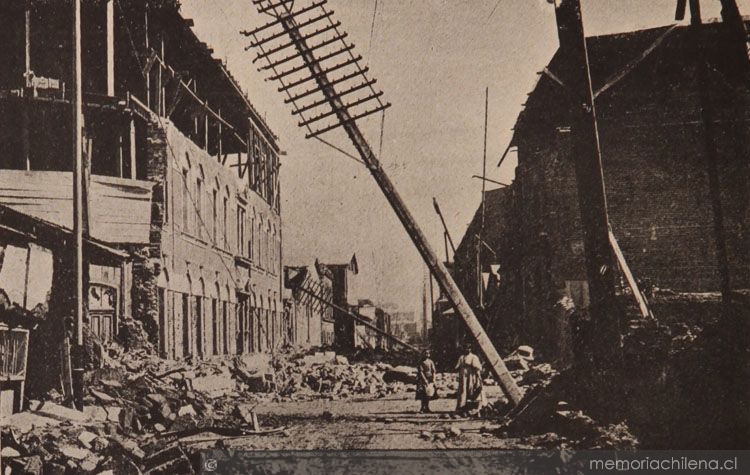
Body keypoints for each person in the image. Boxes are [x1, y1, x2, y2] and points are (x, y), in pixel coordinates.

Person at [454, 345, 486, 416]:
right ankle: (461, 406)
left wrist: (478, 376)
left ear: (470, 349)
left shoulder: (473, 357)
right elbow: (457, 367)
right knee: (462, 390)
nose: (467, 349)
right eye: (465, 348)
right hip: (463, 375)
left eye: (468, 348)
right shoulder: (461, 357)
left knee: (470, 389)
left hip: (471, 375)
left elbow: (477, 368)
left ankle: (471, 407)